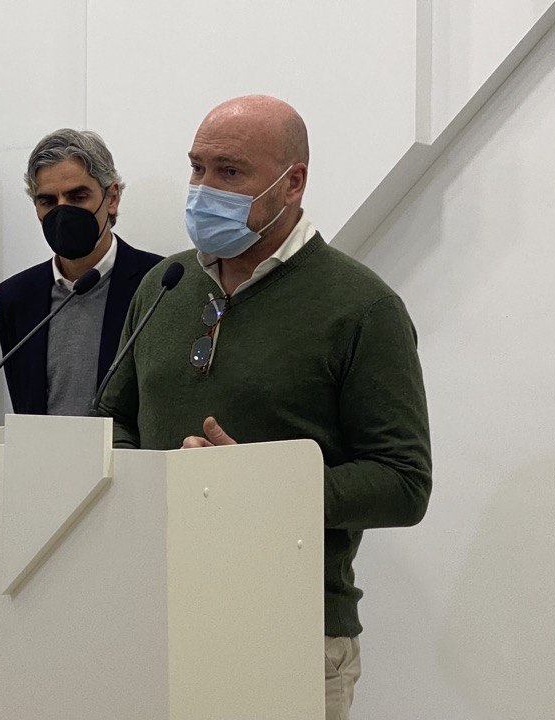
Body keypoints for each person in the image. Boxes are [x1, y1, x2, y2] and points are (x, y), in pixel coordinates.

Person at [97, 95, 432, 720]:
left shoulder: (362, 307)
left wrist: (260, 487)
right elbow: (113, 422)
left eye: (228, 172)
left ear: (292, 182)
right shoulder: (163, 285)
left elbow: (404, 483)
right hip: (155, 612)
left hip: (290, 627)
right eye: (196, 168)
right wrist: (149, 476)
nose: (202, 188)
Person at [0, 129, 163, 415]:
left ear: (111, 198)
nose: (62, 211)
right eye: (48, 201)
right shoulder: (15, 298)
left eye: (77, 197)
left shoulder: (159, 283)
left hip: (128, 457)